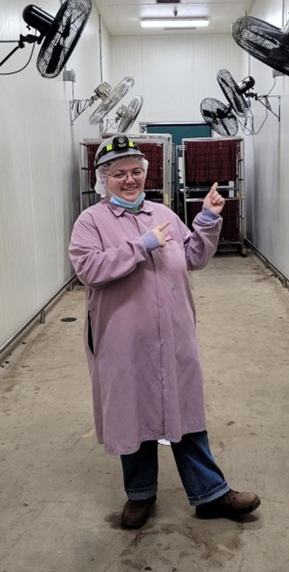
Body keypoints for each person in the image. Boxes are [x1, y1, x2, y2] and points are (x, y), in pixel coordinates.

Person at [69, 134, 260, 529]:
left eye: (136, 171)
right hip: (123, 342)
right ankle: (140, 495)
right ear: (104, 179)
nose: (130, 179)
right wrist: (140, 245)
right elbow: (88, 269)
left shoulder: (163, 213)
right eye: (119, 173)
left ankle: (210, 493)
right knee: (131, 411)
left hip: (172, 336)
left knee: (185, 410)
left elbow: (192, 257)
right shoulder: (91, 222)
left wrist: (207, 219)